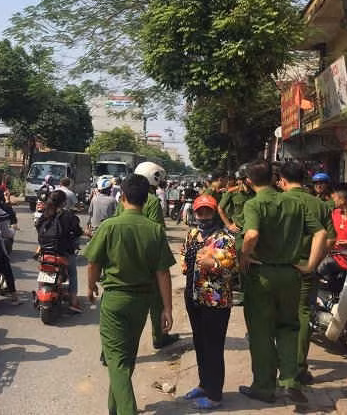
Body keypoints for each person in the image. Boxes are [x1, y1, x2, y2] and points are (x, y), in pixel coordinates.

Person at [85, 174, 175, 415]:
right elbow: (163, 273)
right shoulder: (155, 230)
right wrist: (167, 308)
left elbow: (93, 263)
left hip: (115, 299)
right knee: (126, 358)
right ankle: (114, 408)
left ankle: (126, 410)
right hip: (141, 302)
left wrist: (90, 287)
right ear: (146, 199)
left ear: (122, 196)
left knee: (116, 360)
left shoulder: (110, 226)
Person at [239, 160, 327, 405]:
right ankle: (290, 381)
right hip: (291, 274)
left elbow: (252, 234)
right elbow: (321, 233)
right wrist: (310, 265)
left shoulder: (254, 204)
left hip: (262, 275)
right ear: (274, 178)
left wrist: (244, 255)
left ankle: (264, 387)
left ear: (249, 181)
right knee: (289, 327)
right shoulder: (294, 203)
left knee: (261, 332)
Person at [279, 161, 336, 386]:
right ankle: (299, 368)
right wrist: (313, 262)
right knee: (303, 315)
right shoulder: (320, 205)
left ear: (282, 180)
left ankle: (282, 370)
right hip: (306, 268)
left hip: (280, 268)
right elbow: (329, 239)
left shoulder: (278, 201)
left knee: (280, 316)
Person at [181, 194, 237, 410]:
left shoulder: (225, 239)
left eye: (208, 211)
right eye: (200, 212)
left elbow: (232, 271)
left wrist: (213, 264)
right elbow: (185, 257)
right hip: (193, 296)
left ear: (215, 213)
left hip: (215, 301)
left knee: (213, 347)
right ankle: (204, 384)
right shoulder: (192, 234)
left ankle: (215, 395)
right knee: (200, 343)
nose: (203, 216)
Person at [117, 162, 178, 350]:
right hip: (147, 261)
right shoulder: (151, 201)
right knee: (157, 302)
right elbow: (156, 231)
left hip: (124, 256)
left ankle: (111, 348)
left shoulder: (124, 199)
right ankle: (159, 336)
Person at [36, 190, 84, 312]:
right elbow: (77, 232)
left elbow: (38, 227)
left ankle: (39, 294)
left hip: (45, 252)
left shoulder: (45, 214)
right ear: (63, 202)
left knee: (43, 270)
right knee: (72, 273)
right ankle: (73, 300)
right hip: (64, 252)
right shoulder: (68, 216)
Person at [318, 183, 347, 276]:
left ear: (343, 199)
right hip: (333, 259)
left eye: (335, 197)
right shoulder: (334, 214)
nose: (333, 199)